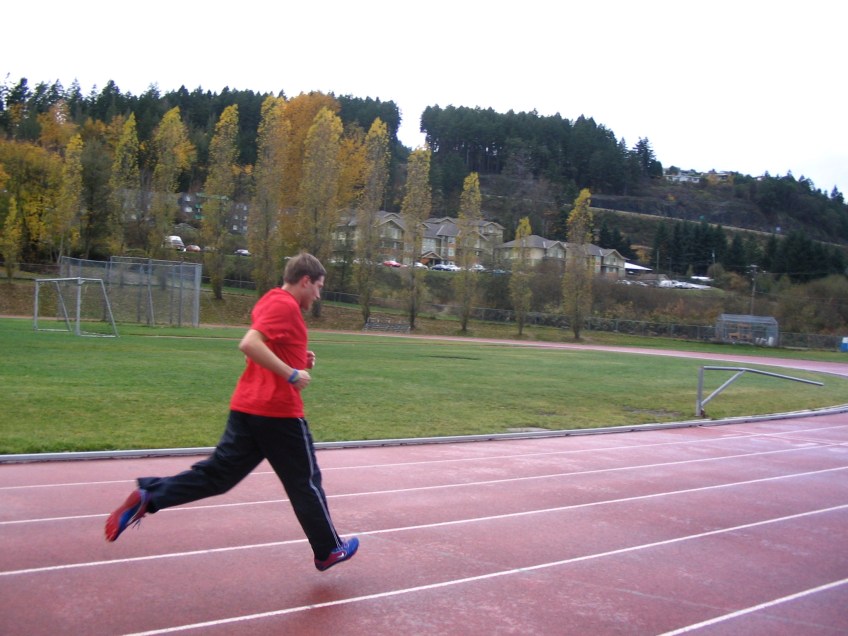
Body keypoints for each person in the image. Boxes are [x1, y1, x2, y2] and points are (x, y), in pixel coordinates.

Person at [104, 252, 358, 572]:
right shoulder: (285, 305)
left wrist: (296, 358)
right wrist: (291, 374)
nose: (319, 295)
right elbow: (249, 344)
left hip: (248, 408)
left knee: (218, 476)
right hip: (279, 414)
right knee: (305, 483)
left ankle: (150, 496)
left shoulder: (270, 300)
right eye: (318, 287)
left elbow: (259, 353)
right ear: (305, 280)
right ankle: (329, 550)